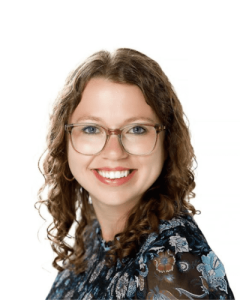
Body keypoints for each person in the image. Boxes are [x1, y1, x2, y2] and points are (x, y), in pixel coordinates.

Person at [36, 48, 234, 299]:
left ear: (167, 141)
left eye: (137, 129)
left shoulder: (172, 265)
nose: (114, 152)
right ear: (64, 140)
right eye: (91, 129)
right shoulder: (93, 235)